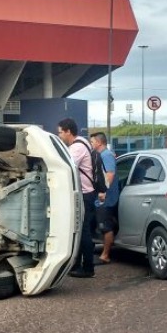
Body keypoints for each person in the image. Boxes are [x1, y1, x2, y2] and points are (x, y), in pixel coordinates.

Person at [57, 118, 95, 278]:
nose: (59, 136)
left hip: (85, 194)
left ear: (68, 132)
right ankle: (77, 264)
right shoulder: (82, 143)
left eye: (60, 132)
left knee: (84, 231)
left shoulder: (77, 147)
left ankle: (88, 268)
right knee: (79, 230)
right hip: (86, 193)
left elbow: (65, 165)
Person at [89, 131, 119, 264]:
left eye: (92, 142)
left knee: (106, 226)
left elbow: (110, 174)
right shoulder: (101, 155)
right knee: (100, 225)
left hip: (106, 200)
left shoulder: (106, 155)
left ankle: (105, 255)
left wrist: (103, 192)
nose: (91, 144)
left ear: (99, 142)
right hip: (101, 198)